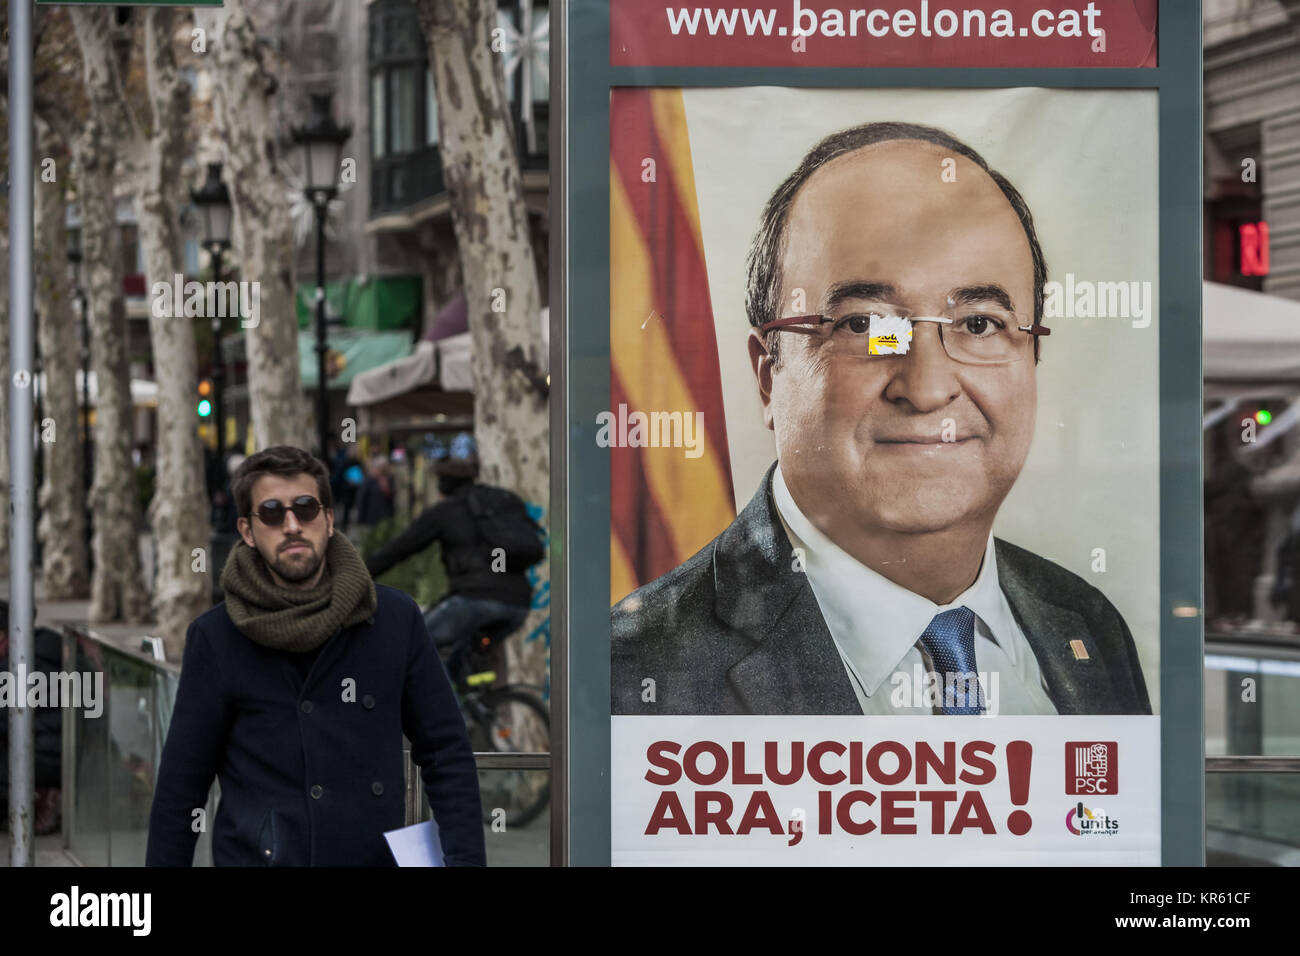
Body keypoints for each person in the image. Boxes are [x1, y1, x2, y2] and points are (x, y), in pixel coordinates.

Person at [612, 121, 1151, 717]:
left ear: (1032, 356)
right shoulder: (637, 675)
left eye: (977, 323)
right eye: (866, 325)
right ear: (769, 375)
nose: (926, 388)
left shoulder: (1088, 627)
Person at [146, 444, 485, 866]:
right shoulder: (216, 637)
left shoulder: (394, 619)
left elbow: (446, 753)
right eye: (271, 512)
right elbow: (182, 785)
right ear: (248, 531)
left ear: (328, 519)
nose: (291, 525)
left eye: (305, 508)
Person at [365, 433, 542, 682]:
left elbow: (398, 550)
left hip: (473, 600)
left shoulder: (444, 513)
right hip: (518, 603)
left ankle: (447, 714)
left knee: (415, 642)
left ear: (441, 485)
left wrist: (358, 575)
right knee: (462, 654)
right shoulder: (500, 501)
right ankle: (484, 707)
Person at [0, 600, 64, 836]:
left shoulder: (20, 666)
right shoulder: (45, 649)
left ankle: (42, 795)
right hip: (55, 754)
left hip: (47, 759)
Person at [354, 452, 395, 527]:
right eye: (381, 468)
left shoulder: (388, 480)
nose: (383, 471)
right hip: (371, 519)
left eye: (384, 468)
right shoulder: (368, 481)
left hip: (385, 519)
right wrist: (360, 519)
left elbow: (391, 500)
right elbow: (361, 500)